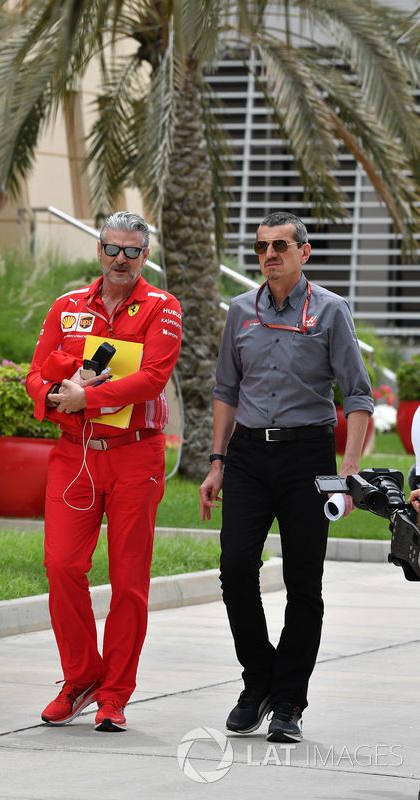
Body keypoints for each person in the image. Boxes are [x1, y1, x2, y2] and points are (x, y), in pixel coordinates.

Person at [199, 211, 373, 743]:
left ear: (304, 252)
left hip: (308, 460)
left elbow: (359, 397)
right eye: (260, 247)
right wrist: (217, 461)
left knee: (304, 584)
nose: (269, 255)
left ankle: (289, 702)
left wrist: (346, 475)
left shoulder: (331, 311)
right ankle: (258, 683)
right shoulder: (240, 312)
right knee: (234, 571)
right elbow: (227, 390)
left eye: (279, 245)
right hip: (249, 456)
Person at [26, 211, 182, 732]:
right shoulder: (67, 307)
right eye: (112, 249)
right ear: (99, 250)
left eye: (131, 252)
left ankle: (114, 693)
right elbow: (36, 371)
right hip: (75, 453)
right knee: (62, 566)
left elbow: (152, 378)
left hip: (137, 454)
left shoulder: (163, 308)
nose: (120, 259)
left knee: (128, 581)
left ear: (144, 256)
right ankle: (81, 679)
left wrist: (85, 394)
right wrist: (51, 393)